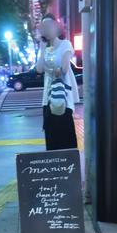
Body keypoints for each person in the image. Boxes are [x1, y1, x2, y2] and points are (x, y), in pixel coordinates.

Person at [36, 13, 79, 150]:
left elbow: (65, 68)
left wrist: (55, 69)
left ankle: (68, 164)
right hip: (48, 99)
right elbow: (39, 69)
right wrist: (43, 49)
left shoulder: (65, 44)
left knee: (66, 140)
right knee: (51, 140)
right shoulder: (44, 48)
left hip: (63, 97)